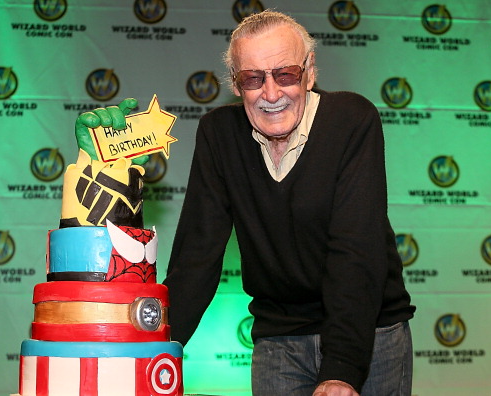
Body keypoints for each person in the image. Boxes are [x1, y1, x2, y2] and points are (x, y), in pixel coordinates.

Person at [162, 9, 415, 396]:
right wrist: (152, 349)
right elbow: (197, 255)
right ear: (236, 83)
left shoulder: (352, 119)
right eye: (253, 79)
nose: (271, 93)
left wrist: (342, 368)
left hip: (368, 333)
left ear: (309, 72)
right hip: (279, 338)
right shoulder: (219, 134)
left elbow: (355, 250)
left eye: (285, 75)